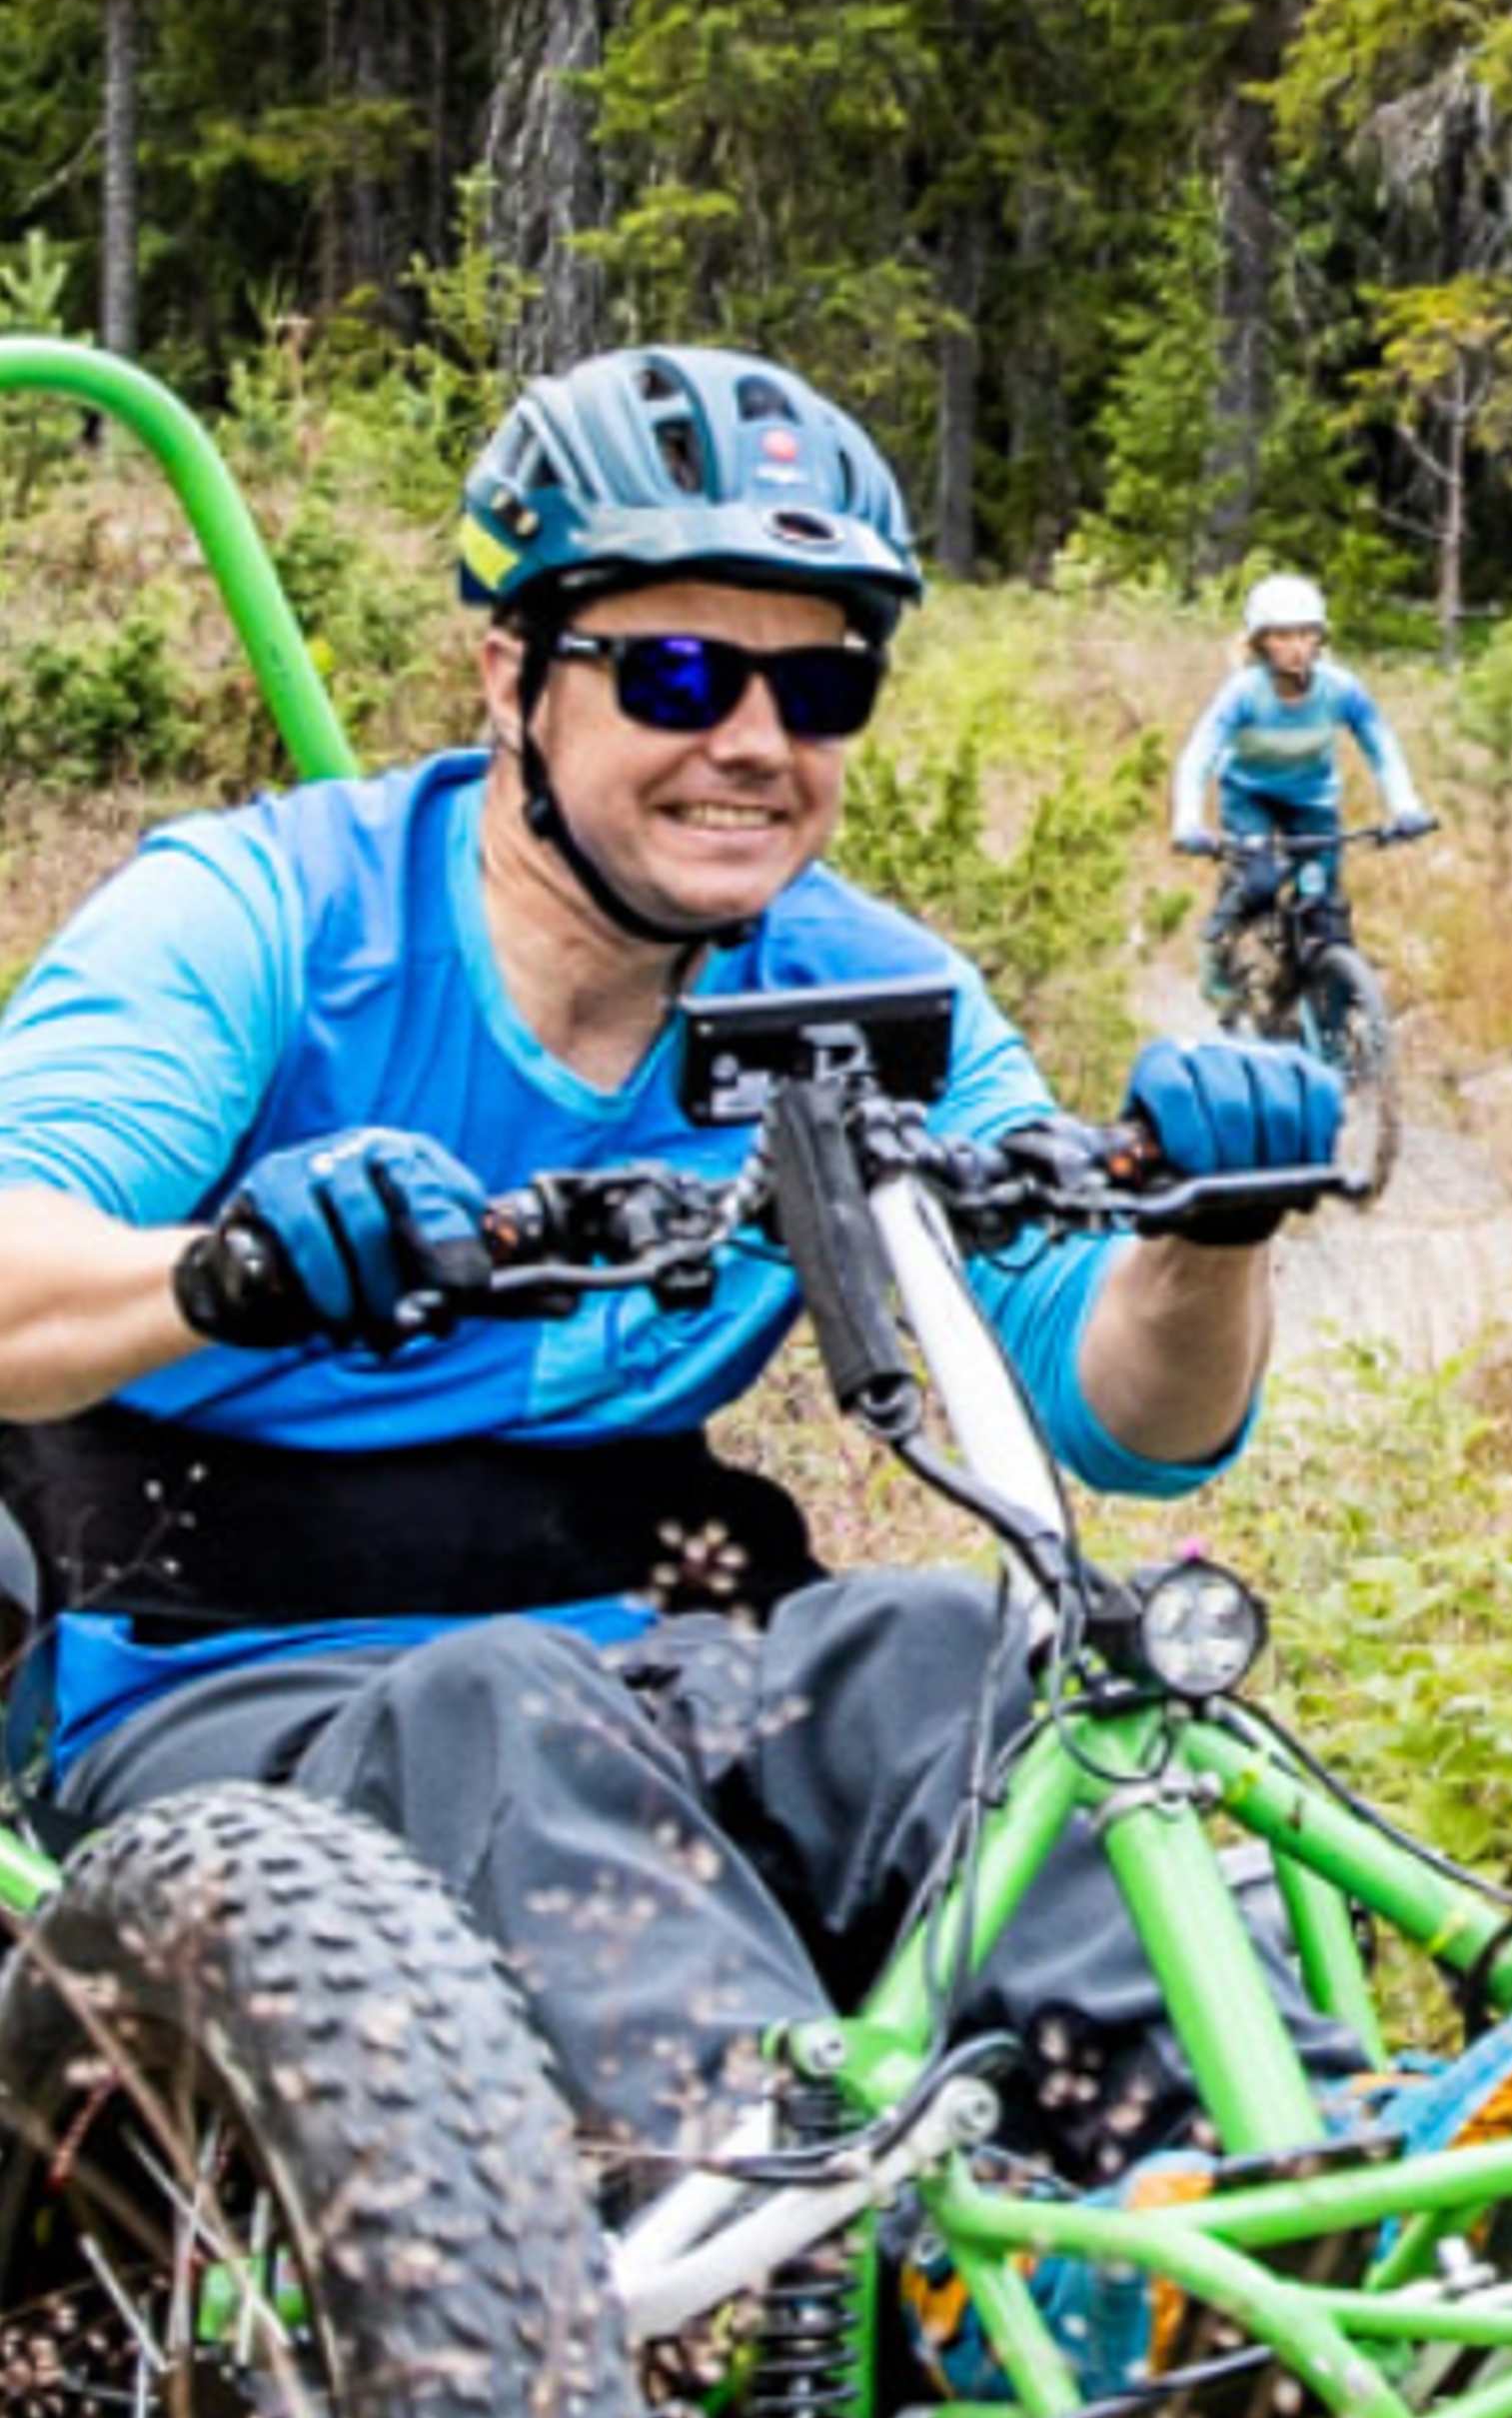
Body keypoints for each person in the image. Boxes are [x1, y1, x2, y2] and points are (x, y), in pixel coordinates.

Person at [0, 341, 1342, 2180]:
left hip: (654, 1660)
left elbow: (1112, 1416)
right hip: (228, 1693)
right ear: (512, 677)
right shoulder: (261, 917)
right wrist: (219, 1275)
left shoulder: (866, 993)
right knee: (508, 1707)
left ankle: (1291, 2190)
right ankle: (794, 2259)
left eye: (823, 685)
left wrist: (1211, 1234)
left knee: (956, 1656)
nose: (756, 744)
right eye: (682, 673)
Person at [1168, 572, 1432, 991]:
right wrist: (1187, 821)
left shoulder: (1341, 689)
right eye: (1282, 636)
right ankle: (1222, 943)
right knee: (1260, 883)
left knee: (1325, 908)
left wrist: (1405, 807)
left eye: (1306, 635)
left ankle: (1329, 1000)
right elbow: (1199, 755)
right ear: (1260, 642)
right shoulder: (1243, 692)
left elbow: (1382, 747)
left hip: (1312, 800)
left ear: (1319, 639)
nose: (1295, 647)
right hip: (1250, 795)